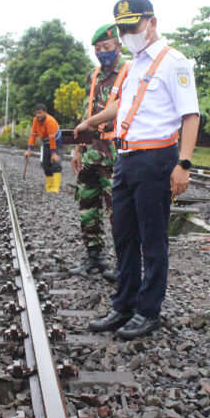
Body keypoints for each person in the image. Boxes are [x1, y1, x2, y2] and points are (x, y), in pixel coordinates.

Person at [74, 0, 200, 339]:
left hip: (156, 159)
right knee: (124, 235)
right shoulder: (135, 65)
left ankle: (148, 311)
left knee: (152, 239)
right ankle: (123, 304)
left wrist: (183, 164)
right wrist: (89, 123)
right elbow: (120, 107)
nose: (129, 34)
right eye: (124, 29)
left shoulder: (174, 62)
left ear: (152, 22)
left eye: (133, 27)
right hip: (126, 158)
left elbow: (191, 116)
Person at [68, 24, 129, 281]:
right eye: (98, 49)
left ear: (118, 46)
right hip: (92, 152)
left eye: (106, 47)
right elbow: (87, 113)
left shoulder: (130, 72)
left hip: (116, 153)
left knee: (118, 212)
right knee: (87, 206)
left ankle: (123, 266)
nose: (102, 52)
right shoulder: (92, 76)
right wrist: (77, 148)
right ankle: (94, 256)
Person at [24, 104, 63, 193]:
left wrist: (53, 153)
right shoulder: (35, 121)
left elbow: (52, 137)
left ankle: (55, 188)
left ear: (45, 112)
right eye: (37, 113)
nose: (38, 115)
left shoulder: (50, 121)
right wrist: (29, 149)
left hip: (56, 142)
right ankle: (49, 187)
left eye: (40, 113)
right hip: (46, 143)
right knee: (46, 165)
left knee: (55, 162)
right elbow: (33, 135)